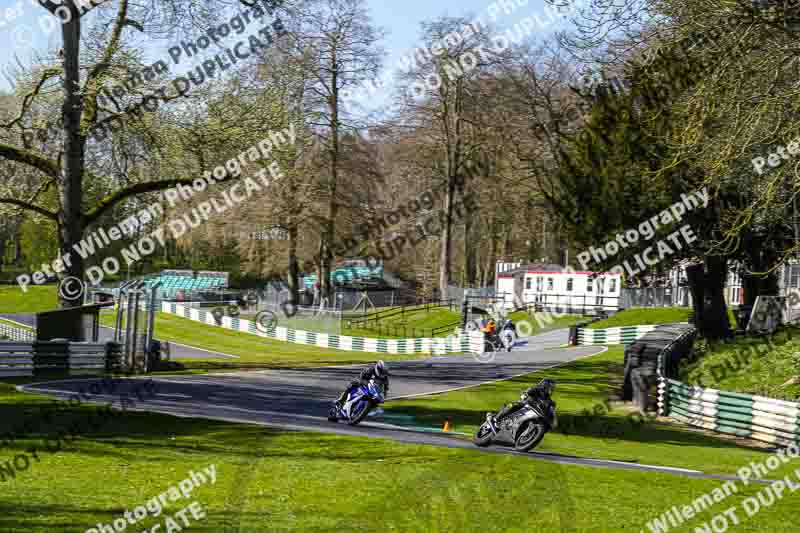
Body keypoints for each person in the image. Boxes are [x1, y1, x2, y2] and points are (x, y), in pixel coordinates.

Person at [486, 378, 556, 433]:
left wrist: (552, 420)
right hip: (526, 405)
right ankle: (496, 419)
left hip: (534, 412)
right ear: (544, 385)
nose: (551, 389)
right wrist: (525, 394)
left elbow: (551, 409)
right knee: (516, 405)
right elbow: (527, 392)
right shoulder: (536, 389)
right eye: (550, 386)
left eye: (552, 387)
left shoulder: (548, 399)